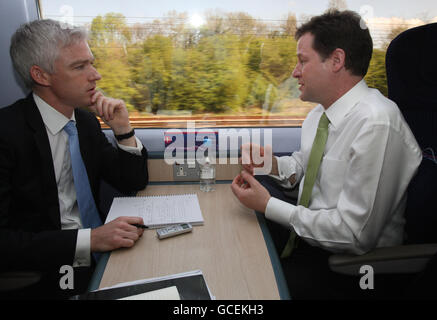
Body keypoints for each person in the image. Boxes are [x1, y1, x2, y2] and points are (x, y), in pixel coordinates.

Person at [231, 10, 422, 299]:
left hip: (353, 268)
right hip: (312, 241)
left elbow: (354, 235)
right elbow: (304, 169)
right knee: (236, 244)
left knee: (247, 290)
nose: (295, 72)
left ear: (336, 60)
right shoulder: (320, 114)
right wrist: (270, 165)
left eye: (302, 61)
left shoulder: (376, 123)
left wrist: (269, 205)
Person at [0, 19, 149, 299]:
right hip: (48, 267)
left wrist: (122, 129)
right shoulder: (7, 134)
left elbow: (133, 180)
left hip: (98, 248)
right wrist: (90, 239)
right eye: (80, 67)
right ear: (41, 75)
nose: (96, 75)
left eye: (91, 63)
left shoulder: (84, 122)